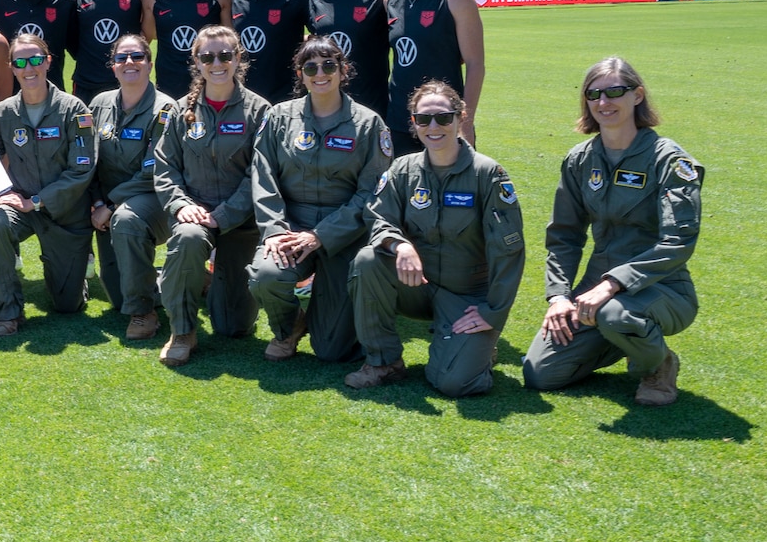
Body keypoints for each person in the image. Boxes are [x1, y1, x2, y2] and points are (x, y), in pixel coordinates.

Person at [520, 58, 702, 407]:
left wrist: (613, 284)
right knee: (540, 372)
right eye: (594, 94)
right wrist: (558, 296)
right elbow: (564, 235)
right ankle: (622, 338)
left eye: (615, 92)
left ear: (637, 96)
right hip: (595, 293)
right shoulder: (580, 159)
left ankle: (659, 364)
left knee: (614, 313)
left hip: (662, 289)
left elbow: (678, 241)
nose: (604, 102)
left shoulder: (668, 159)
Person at [348, 80, 523, 395]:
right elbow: (378, 217)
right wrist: (399, 244)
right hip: (416, 286)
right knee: (368, 261)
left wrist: (492, 312)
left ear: (460, 117)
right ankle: (383, 362)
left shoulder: (488, 175)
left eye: (443, 117)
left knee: (455, 383)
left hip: (466, 297)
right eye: (423, 119)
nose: (434, 126)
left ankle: (478, 350)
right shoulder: (402, 170)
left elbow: (508, 250)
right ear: (413, 123)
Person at [247, 36, 394, 367]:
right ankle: (288, 329)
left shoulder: (369, 124)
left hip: (343, 236)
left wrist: (320, 236)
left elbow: (372, 194)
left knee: (332, 351)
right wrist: (273, 230)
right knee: (267, 274)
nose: (320, 73)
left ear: (343, 71)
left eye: (329, 65)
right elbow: (263, 175)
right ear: (300, 74)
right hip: (291, 227)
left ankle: (330, 315)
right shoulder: (280, 116)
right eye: (310, 67)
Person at [151, 27, 272, 366]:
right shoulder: (180, 111)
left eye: (225, 56)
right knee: (188, 238)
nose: (216, 63)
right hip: (196, 216)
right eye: (207, 57)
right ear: (197, 62)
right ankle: (183, 329)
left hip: (241, 222)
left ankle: (205, 280)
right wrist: (181, 205)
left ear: (238, 59)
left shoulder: (259, 111)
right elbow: (165, 166)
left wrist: (227, 213)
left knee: (233, 326)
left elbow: (261, 174)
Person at [0, 34, 96, 335]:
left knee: (67, 305)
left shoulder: (74, 110)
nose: (28, 68)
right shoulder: (2, 113)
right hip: (21, 206)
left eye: (35, 60)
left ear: (48, 62)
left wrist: (37, 201)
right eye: (19, 62)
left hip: (64, 212)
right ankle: (9, 311)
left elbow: (81, 171)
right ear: (12, 68)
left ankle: (66, 273)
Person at [87, 35, 175, 342]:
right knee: (117, 297)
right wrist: (96, 201)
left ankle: (144, 312)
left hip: (154, 203)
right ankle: (172, 280)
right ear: (112, 66)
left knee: (126, 220)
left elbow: (154, 171)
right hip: (106, 207)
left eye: (137, 57)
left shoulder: (166, 109)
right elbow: (89, 160)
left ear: (149, 64)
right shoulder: (99, 104)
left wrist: (109, 205)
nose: (129, 63)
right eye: (122, 58)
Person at [382, 0, 485, 150]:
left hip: (443, 119)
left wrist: (466, 123)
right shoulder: (390, 0)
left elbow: (475, 64)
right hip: (399, 120)